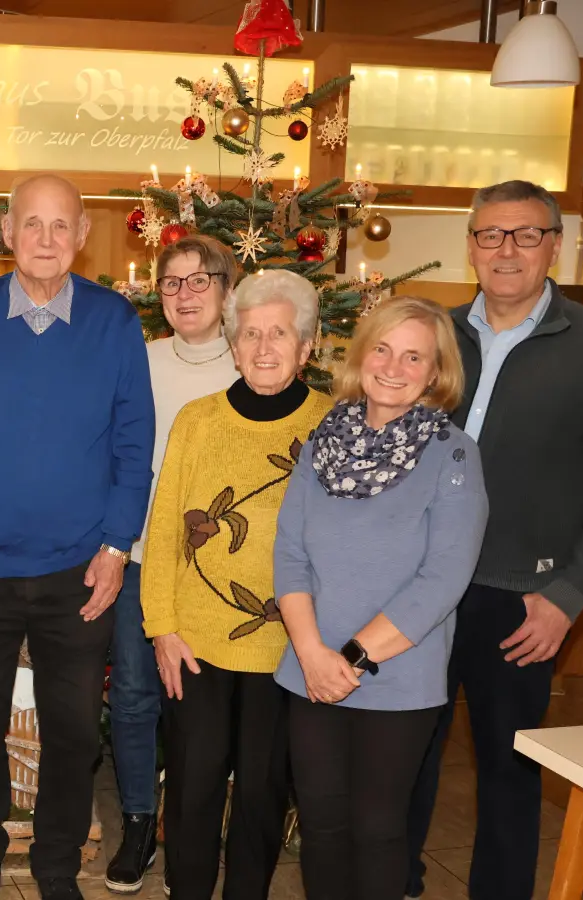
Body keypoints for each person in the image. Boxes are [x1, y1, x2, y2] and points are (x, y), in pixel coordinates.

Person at [405, 181, 583, 900]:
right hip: (419, 592)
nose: (506, 250)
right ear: (472, 245)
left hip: (520, 601)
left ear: (554, 245)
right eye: (491, 235)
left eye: (525, 234)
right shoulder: (436, 334)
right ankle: (399, 881)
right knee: (405, 757)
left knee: (509, 771)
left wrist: (566, 598)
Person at [0, 173, 154, 900]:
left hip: (80, 567)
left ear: (83, 235)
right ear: (7, 232)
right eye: (31, 224)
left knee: (71, 732)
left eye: (60, 225)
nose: (45, 239)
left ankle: (57, 865)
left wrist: (118, 547)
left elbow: (134, 442)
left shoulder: (114, 322)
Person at [274, 297, 489, 900]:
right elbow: (289, 553)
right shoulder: (323, 443)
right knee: (321, 828)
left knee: (376, 830)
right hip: (310, 671)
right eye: (383, 348)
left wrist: (351, 658)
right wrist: (313, 654)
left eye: (414, 355)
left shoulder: (452, 453)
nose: (394, 366)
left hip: (397, 677)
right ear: (362, 355)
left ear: (436, 372)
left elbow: (445, 577)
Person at [141, 268, 330, 900]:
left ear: (306, 347)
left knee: (262, 790)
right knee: (192, 789)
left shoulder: (333, 429)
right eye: (251, 333)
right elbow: (165, 524)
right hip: (196, 645)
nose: (264, 347)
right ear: (234, 341)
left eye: (280, 334)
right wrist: (161, 628)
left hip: (287, 650)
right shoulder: (197, 421)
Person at [105, 235, 240, 894]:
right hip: (137, 556)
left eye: (198, 281)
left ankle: (192, 826)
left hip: (218, 572)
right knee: (133, 697)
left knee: (200, 707)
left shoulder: (252, 363)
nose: (184, 294)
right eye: (171, 283)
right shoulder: (139, 357)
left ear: (226, 289)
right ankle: (138, 820)